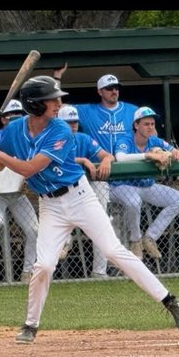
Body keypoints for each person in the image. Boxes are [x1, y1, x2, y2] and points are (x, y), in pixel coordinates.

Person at [0, 76, 179, 344]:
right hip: (50, 204)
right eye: (52, 100)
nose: (58, 104)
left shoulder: (60, 131)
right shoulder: (13, 130)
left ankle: (171, 301)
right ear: (35, 105)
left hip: (79, 197)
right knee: (43, 265)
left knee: (113, 250)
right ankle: (30, 325)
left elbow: (29, 168)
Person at [67, 69, 139, 278]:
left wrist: (107, 158)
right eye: (109, 88)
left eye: (116, 88)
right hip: (94, 178)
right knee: (100, 219)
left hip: (122, 177)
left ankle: (122, 257)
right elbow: (58, 109)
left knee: (110, 218)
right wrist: (57, 78)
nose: (114, 91)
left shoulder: (132, 110)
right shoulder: (86, 113)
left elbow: (148, 130)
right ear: (100, 91)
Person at [112, 106, 179, 260]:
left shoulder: (155, 141)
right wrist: (148, 156)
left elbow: (174, 151)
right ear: (136, 125)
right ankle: (136, 240)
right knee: (134, 202)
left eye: (152, 124)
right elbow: (120, 157)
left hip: (146, 186)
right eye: (146, 124)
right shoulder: (125, 139)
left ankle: (150, 238)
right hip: (121, 186)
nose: (150, 127)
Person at [0, 99, 39, 282]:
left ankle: (28, 272)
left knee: (34, 230)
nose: (16, 120)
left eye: (19, 116)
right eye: (12, 116)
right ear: (4, 120)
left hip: (16, 194)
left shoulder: (28, 138)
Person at [55, 104, 115, 266]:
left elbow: (107, 155)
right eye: (68, 122)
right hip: (61, 190)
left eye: (74, 121)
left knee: (102, 221)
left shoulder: (83, 138)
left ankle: (100, 270)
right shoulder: (53, 138)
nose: (73, 125)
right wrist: (83, 160)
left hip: (86, 190)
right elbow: (54, 160)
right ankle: (66, 240)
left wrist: (107, 160)